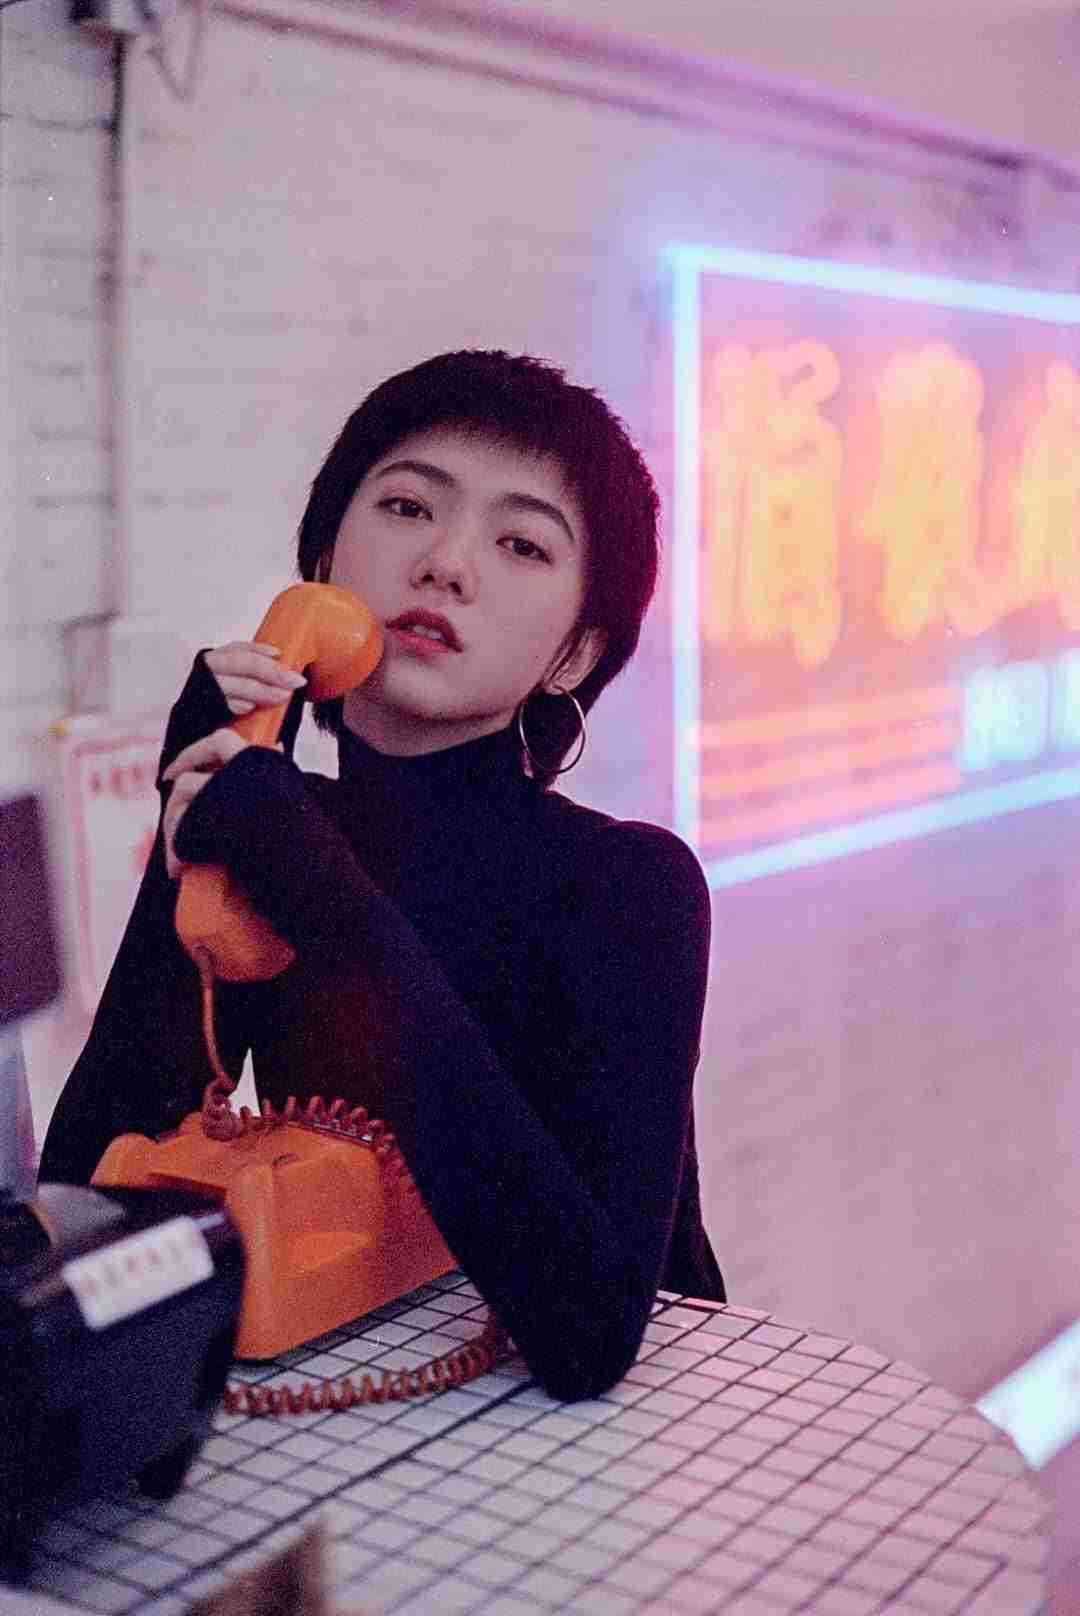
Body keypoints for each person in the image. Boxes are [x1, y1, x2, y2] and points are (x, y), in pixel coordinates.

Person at [39, 350, 724, 1401]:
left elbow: (587, 1336)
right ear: (321, 565)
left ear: (576, 654)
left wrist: (318, 884)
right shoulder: (281, 831)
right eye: (408, 507)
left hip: (636, 1443)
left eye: (522, 542)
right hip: (359, 1418)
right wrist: (189, 837)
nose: (445, 564)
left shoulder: (629, 884)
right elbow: (87, 1198)